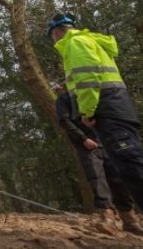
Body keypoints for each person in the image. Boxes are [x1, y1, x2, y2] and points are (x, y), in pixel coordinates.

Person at [48, 12, 143, 232]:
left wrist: (88, 111)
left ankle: (128, 217)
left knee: (131, 167)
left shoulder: (75, 43)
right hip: (114, 113)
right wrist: (82, 136)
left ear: (56, 33)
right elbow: (66, 116)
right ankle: (113, 218)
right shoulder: (92, 43)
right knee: (124, 166)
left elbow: (88, 77)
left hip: (107, 113)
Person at [56, 91, 143, 234]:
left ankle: (129, 220)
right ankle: (107, 218)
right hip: (86, 145)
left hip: (107, 140)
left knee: (119, 179)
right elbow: (64, 121)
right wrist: (83, 138)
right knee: (97, 178)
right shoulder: (64, 98)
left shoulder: (96, 92)